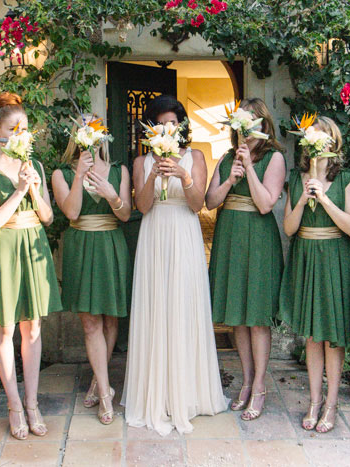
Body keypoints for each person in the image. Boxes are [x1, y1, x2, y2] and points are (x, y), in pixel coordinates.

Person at [122, 95, 228, 436]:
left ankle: (189, 393)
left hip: (184, 235)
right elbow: (142, 206)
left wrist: (183, 174)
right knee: (156, 309)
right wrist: (153, 173)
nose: (168, 128)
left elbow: (198, 206)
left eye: (173, 123)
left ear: (180, 126)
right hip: (154, 236)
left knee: (183, 308)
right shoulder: (141, 162)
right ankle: (154, 394)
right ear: (151, 127)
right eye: (161, 123)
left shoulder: (195, 156)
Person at [0, 92, 62, 440]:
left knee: (33, 328)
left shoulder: (35, 166)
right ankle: (12, 404)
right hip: (4, 249)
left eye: (24, 128)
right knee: (5, 329)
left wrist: (35, 189)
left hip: (33, 244)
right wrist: (18, 191)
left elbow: (49, 217)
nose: (20, 133)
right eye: (13, 128)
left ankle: (32, 402)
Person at [205, 98, 286, 421]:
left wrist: (250, 169)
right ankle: (246, 380)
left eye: (253, 124)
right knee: (237, 314)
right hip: (230, 236)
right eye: (242, 125)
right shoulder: (226, 158)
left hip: (258, 238)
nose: (247, 131)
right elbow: (210, 201)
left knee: (257, 316)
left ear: (264, 126)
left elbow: (266, 203)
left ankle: (260, 385)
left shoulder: (274, 158)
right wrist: (230, 178)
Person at [279, 116, 350, 433]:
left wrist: (324, 198)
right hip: (306, 258)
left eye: (323, 136)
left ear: (333, 143)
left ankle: (332, 402)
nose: (318, 142)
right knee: (311, 336)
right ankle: (314, 400)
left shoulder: (346, 179)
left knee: (332, 338)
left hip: (335, 259)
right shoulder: (296, 179)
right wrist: (301, 198)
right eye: (313, 137)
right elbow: (288, 229)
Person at [51, 117, 131, 425]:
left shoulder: (119, 170)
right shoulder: (60, 173)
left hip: (111, 243)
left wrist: (112, 194)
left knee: (111, 319)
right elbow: (71, 211)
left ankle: (99, 381)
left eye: (96, 127)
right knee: (90, 324)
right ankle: (106, 396)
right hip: (81, 244)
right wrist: (79, 176)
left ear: (103, 135)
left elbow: (124, 215)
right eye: (85, 128)